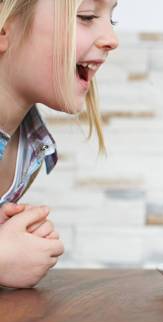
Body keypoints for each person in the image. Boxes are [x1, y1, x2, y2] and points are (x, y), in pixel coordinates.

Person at [0, 0, 118, 288]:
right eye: (86, 16)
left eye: (112, 20)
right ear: (4, 29)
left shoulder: (31, 147)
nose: (112, 40)